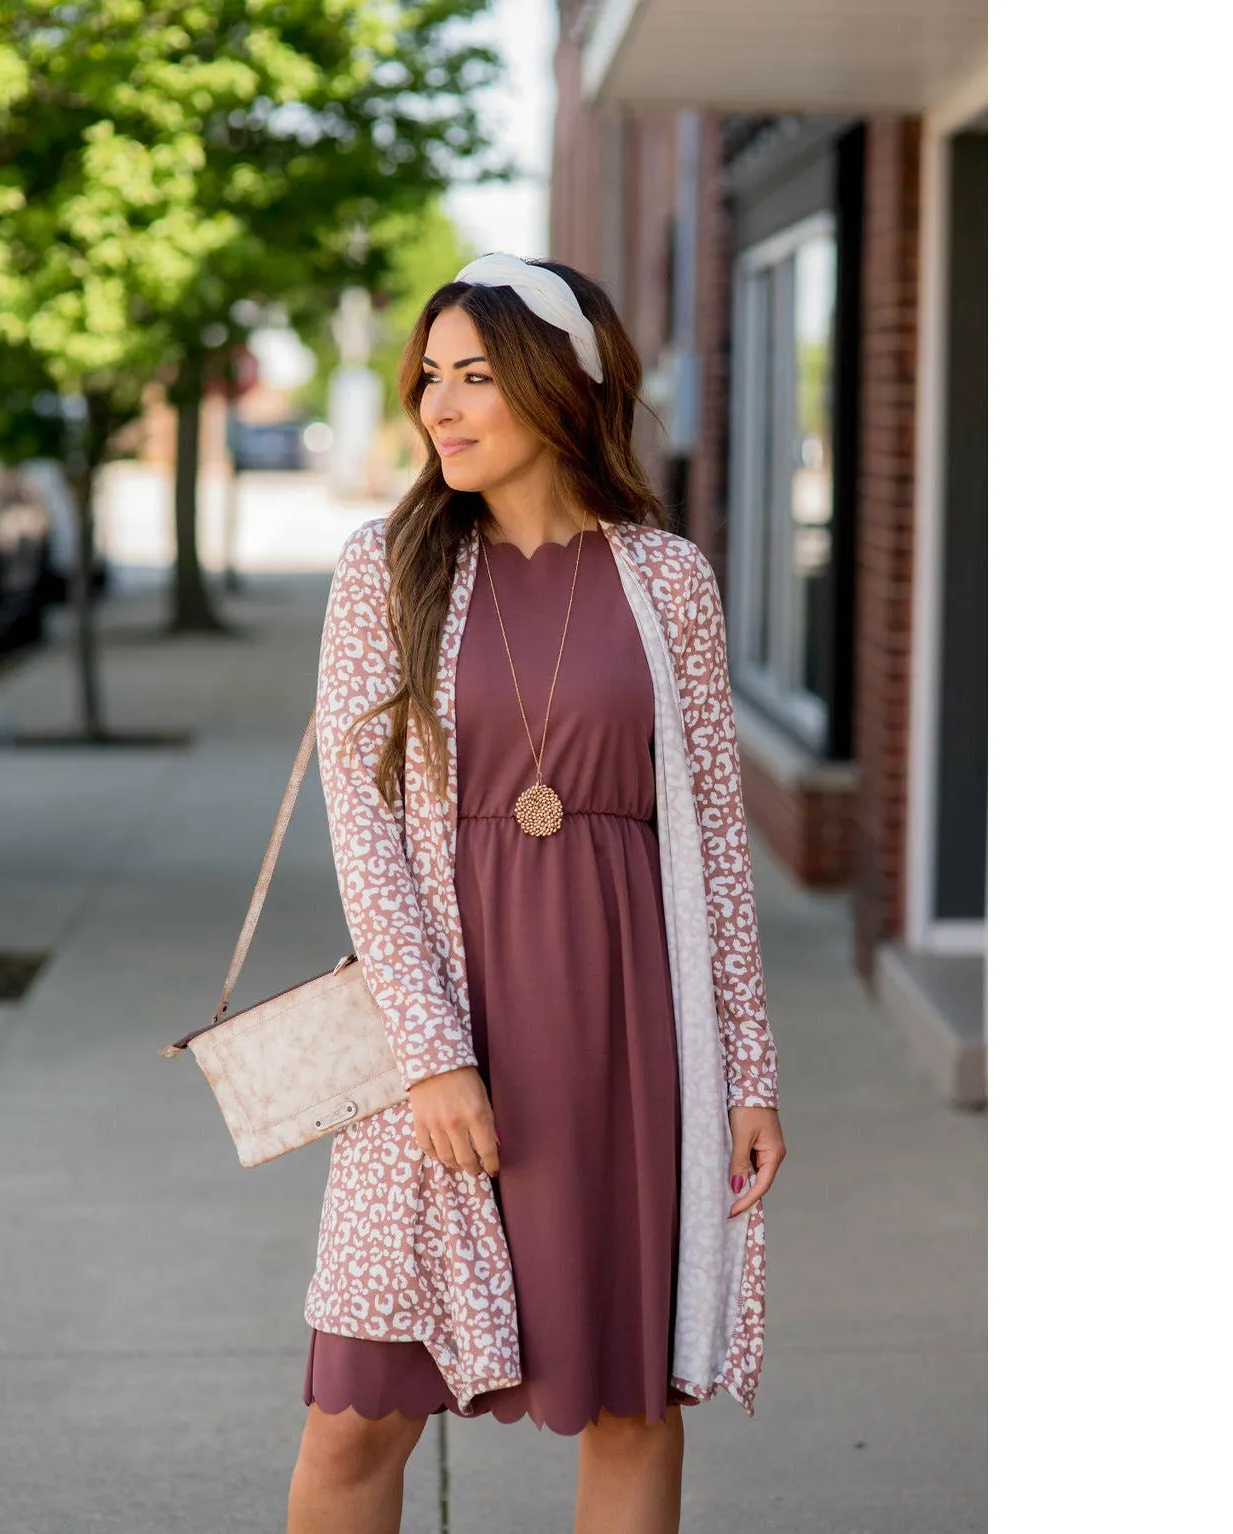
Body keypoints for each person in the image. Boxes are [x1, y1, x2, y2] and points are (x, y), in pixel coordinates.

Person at [287, 254, 787, 1534]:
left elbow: (716, 839)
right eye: (428, 380)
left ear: (559, 389)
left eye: (473, 378)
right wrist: (435, 1057)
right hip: (440, 1038)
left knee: (629, 1406)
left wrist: (746, 1072)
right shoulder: (384, 569)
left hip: (626, 1037)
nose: (440, 409)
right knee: (353, 1421)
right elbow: (366, 829)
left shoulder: (665, 576)